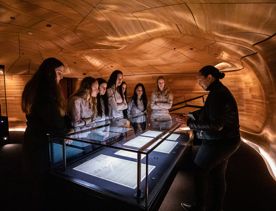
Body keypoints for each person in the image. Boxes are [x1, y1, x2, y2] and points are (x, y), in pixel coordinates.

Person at [181, 65, 241, 211]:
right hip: (229, 141)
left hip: (218, 142)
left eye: (199, 79)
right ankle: (216, 208)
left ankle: (199, 206)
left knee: (198, 170)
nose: (198, 82)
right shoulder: (218, 91)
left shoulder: (217, 94)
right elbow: (208, 110)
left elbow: (216, 125)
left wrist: (190, 123)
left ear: (209, 77)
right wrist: (191, 115)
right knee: (218, 175)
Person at [21, 57, 68, 210]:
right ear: (49, 72)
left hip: (34, 139)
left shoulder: (35, 87)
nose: (61, 77)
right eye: (59, 73)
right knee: (40, 183)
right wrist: (66, 128)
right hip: (39, 143)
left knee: (36, 182)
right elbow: (54, 121)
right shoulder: (45, 92)